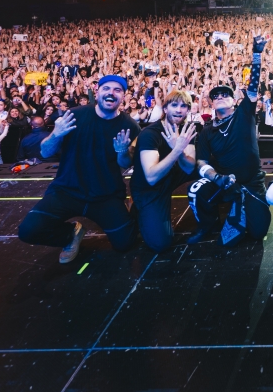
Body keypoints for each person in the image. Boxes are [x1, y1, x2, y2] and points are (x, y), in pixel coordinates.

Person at [16, 75, 139, 264]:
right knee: (28, 231)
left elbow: (125, 164)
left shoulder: (129, 126)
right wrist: (56, 134)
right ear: (97, 92)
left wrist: (122, 151)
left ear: (123, 96)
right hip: (67, 191)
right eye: (107, 89)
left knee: (125, 244)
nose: (111, 93)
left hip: (105, 195)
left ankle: (123, 207)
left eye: (117, 90)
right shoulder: (75, 115)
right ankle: (71, 233)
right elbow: (45, 152)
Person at [188, 31, 272, 246]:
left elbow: (253, 87)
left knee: (258, 232)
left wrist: (256, 54)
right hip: (224, 181)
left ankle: (240, 207)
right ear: (211, 104)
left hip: (252, 181)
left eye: (224, 94)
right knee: (197, 189)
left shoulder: (244, 114)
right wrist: (217, 178)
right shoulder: (207, 131)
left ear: (234, 100)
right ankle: (207, 224)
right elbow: (202, 163)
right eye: (215, 96)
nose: (219, 97)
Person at [133, 90, 198, 251]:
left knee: (206, 165)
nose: (179, 110)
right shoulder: (150, 134)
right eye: (174, 105)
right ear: (165, 109)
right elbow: (151, 177)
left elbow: (189, 168)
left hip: (171, 175)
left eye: (184, 106)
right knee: (161, 244)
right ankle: (139, 210)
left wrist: (180, 150)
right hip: (149, 188)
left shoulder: (186, 129)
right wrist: (177, 150)